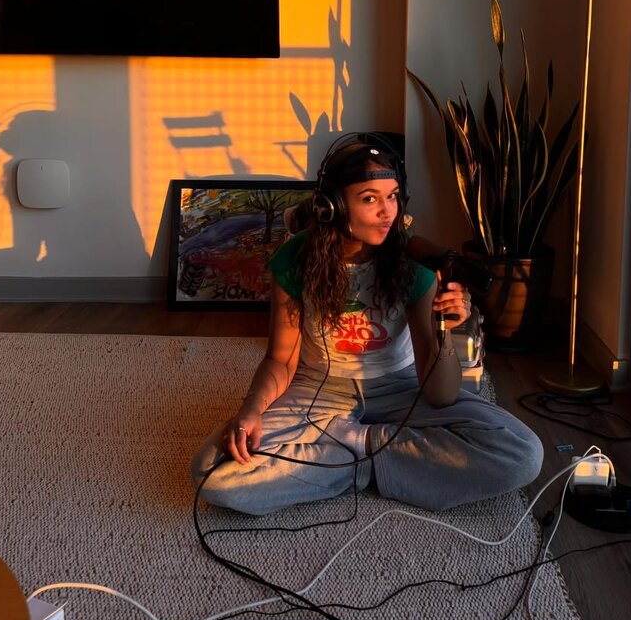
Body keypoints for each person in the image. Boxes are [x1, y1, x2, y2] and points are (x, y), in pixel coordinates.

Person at [191, 135, 543, 514]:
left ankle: (350, 454)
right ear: (333, 206)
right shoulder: (295, 260)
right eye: (370, 199)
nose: (387, 212)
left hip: (400, 387)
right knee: (213, 472)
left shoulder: (415, 263)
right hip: (318, 388)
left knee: (523, 454)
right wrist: (251, 410)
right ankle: (376, 461)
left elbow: (439, 394)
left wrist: (445, 330)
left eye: (392, 196)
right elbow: (280, 360)